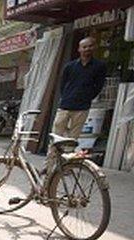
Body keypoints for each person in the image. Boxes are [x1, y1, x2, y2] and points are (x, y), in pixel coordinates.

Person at [47, 37, 107, 170]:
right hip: (65, 106)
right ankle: (49, 166)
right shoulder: (70, 66)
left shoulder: (99, 66)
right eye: (84, 47)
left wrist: (87, 98)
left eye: (90, 46)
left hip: (82, 107)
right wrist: (66, 97)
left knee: (72, 140)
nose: (87, 49)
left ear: (94, 47)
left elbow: (98, 86)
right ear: (79, 49)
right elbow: (63, 85)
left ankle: (65, 167)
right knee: (56, 136)